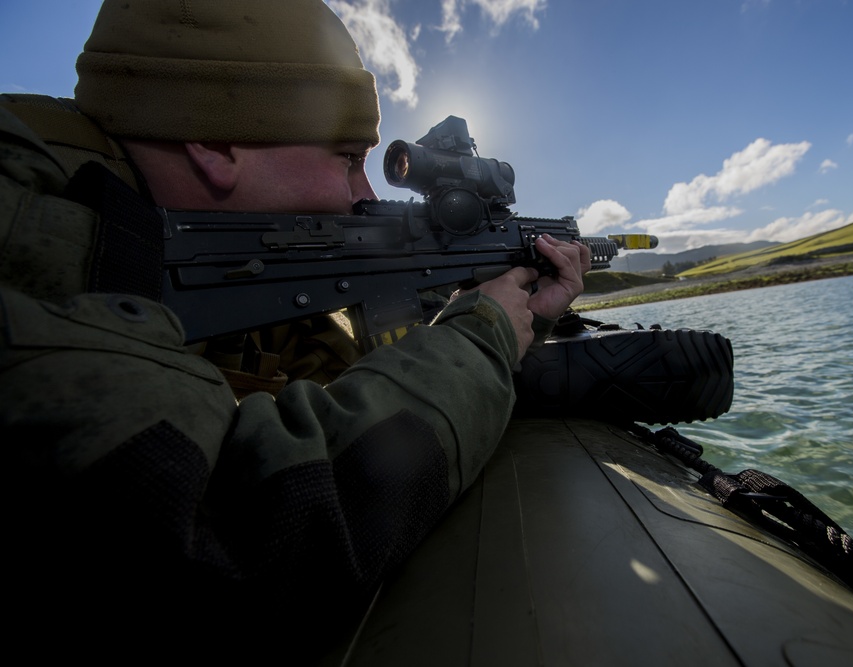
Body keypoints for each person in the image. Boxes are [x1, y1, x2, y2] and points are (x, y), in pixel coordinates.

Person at [0, 0, 589, 662]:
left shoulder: (136, 232)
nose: (360, 196)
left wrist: (504, 315)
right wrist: (481, 333)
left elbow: (318, 371)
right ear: (215, 141)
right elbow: (235, 534)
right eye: (346, 157)